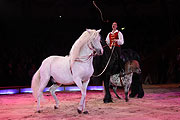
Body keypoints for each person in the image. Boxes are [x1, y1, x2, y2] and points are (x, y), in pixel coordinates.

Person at [103, 22, 124, 103]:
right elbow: (108, 41)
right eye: (112, 25)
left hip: (117, 48)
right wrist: (106, 42)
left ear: (116, 26)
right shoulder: (109, 33)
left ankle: (121, 68)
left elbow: (122, 42)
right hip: (110, 48)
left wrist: (117, 40)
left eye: (115, 25)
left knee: (119, 58)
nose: (113, 26)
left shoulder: (119, 33)